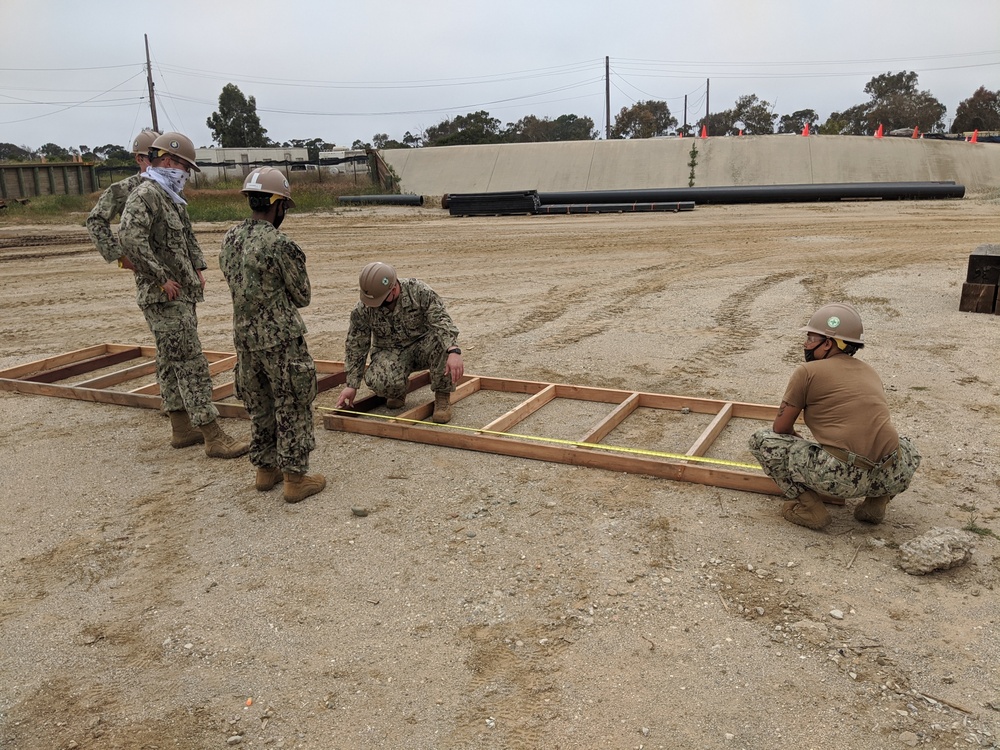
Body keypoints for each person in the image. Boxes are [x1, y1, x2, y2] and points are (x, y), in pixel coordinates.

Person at [119, 131, 249, 459]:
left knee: (168, 359)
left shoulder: (169, 194)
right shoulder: (146, 194)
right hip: (163, 297)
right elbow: (130, 240)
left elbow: (186, 238)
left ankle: (181, 428)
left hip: (180, 293)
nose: (186, 173)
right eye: (183, 166)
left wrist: (198, 269)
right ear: (167, 161)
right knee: (191, 362)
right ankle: (213, 435)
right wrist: (162, 277)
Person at [748, 302, 920, 530]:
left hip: (843, 478)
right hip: (893, 473)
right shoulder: (869, 370)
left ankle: (812, 510)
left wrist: (802, 446)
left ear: (829, 343)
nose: (805, 344)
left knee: (762, 441)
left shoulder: (807, 372)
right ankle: (876, 502)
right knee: (905, 444)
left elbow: (780, 428)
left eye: (811, 338)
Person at [219, 167, 325, 503]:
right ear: (277, 203)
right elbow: (302, 295)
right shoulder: (281, 244)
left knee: (260, 403)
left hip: (245, 340)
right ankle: (295, 478)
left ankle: (266, 471)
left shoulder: (230, 239)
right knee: (292, 403)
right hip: (280, 340)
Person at [335, 262, 464, 424]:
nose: (375, 304)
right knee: (380, 382)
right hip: (391, 352)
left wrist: (453, 350)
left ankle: (442, 396)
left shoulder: (418, 291)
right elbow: (356, 345)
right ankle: (397, 390)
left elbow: (441, 320)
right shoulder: (363, 309)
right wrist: (351, 385)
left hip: (424, 347)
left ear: (393, 289)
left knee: (443, 344)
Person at [86, 128, 160, 269]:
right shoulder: (123, 189)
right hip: (147, 264)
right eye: (153, 158)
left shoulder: (172, 189)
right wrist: (119, 255)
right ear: (139, 159)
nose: (158, 163)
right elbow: (95, 220)